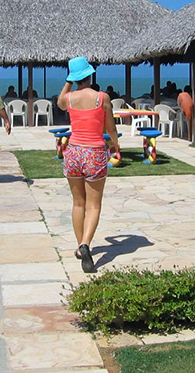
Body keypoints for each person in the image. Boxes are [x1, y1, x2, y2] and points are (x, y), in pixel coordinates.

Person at [56, 57, 120, 274]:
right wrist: (115, 145)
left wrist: (69, 81)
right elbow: (110, 127)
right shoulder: (102, 98)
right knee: (93, 205)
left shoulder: (69, 98)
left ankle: (80, 247)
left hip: (73, 152)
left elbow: (59, 102)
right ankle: (85, 244)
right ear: (90, 74)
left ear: (74, 78)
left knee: (78, 203)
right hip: (94, 152)